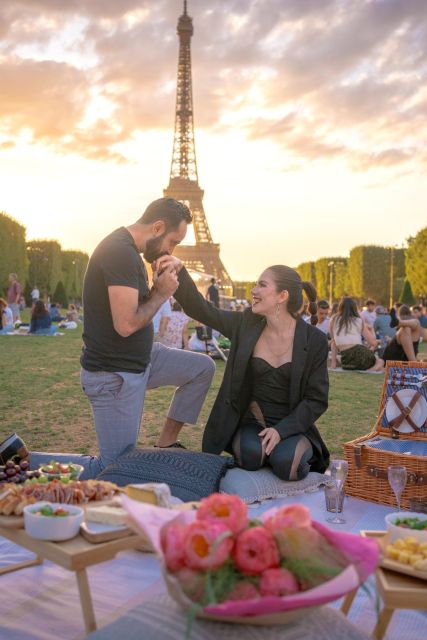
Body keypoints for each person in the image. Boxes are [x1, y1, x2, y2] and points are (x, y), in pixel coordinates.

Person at [156, 255, 330, 481]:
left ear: (282, 296)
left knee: (287, 465)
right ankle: (264, 451)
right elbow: (201, 309)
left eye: (262, 285)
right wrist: (178, 271)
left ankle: (282, 450)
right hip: (253, 423)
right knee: (250, 457)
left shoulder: (314, 340)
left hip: (292, 426)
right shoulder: (246, 325)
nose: (253, 290)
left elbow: (316, 399)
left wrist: (281, 431)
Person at [330, 297, 383, 371]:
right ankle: (370, 371)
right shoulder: (358, 321)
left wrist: (333, 363)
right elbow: (373, 342)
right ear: (354, 308)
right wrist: (372, 330)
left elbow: (334, 341)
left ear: (340, 307)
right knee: (380, 361)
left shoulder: (333, 319)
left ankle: (371, 369)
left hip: (346, 359)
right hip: (359, 353)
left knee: (374, 360)